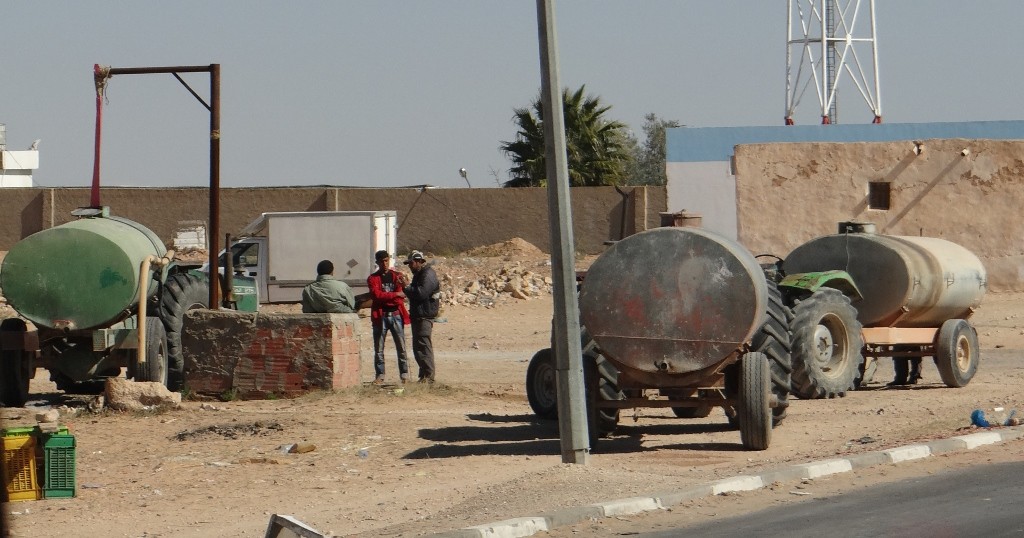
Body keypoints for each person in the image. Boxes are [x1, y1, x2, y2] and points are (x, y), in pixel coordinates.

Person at [367, 250, 410, 385]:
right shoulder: (373, 278)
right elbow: (376, 296)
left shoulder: (397, 276)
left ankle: (404, 375)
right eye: (381, 261)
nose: (384, 264)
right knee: (379, 348)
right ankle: (380, 375)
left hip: (396, 315)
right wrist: (395, 295)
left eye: (386, 260)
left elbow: (401, 297)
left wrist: (396, 295)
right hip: (381, 316)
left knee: (401, 347)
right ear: (377, 262)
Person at [403, 250, 441, 383]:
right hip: (419, 315)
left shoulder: (427, 275)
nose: (410, 266)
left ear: (419, 261)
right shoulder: (420, 275)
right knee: (419, 347)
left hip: (424, 316)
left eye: (411, 263)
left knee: (423, 346)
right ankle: (424, 376)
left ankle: (429, 377)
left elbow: (421, 294)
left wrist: (406, 287)